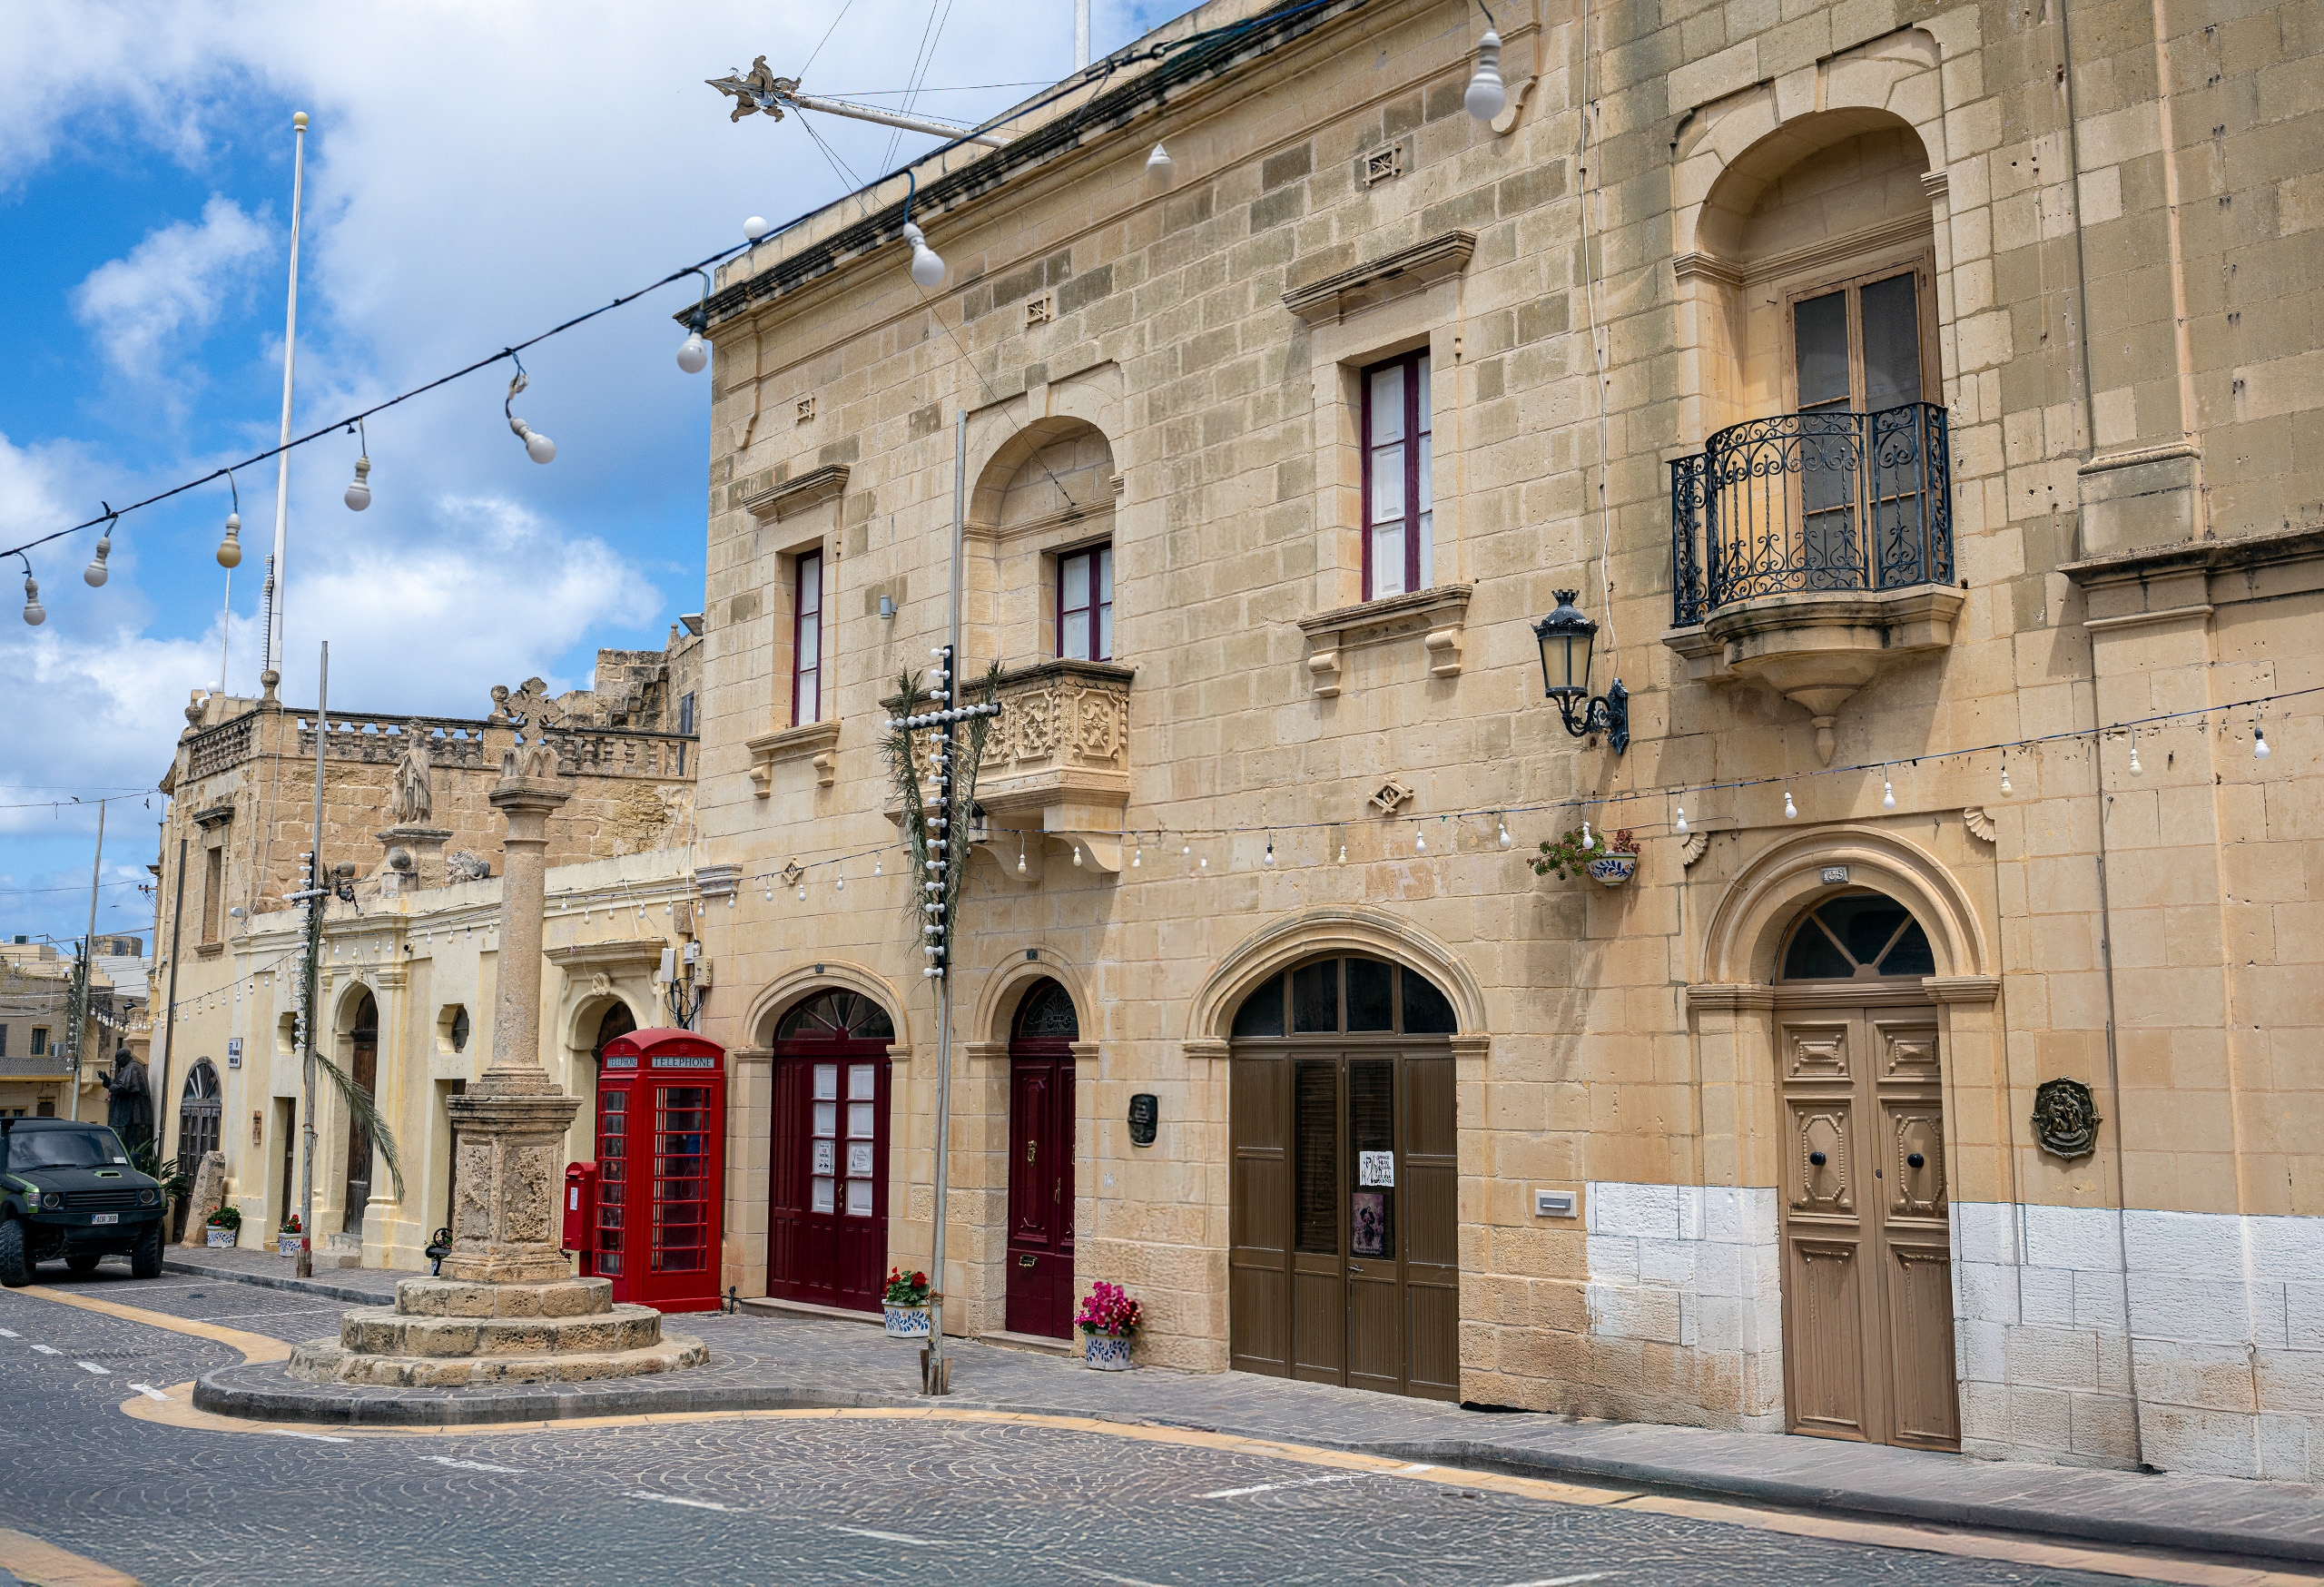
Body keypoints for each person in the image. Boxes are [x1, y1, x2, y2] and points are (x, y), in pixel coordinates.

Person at [104, 1048, 152, 1157]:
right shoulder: (131, 1068)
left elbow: (123, 1088)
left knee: (125, 1144)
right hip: (127, 1115)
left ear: (125, 1058)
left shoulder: (132, 1068)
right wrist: (108, 1080)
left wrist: (109, 1085)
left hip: (129, 1116)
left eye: (119, 1059)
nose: (117, 1063)